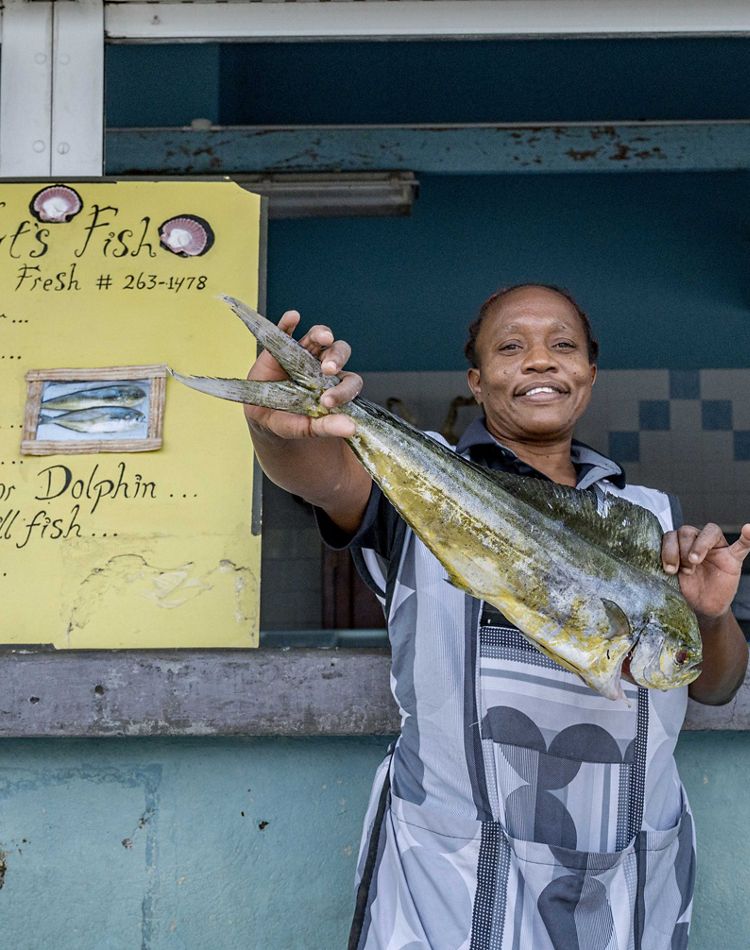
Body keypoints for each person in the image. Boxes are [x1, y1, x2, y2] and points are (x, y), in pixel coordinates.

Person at [245, 284, 749, 950]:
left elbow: (713, 685)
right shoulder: (422, 480)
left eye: (562, 345)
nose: (540, 360)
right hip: (451, 878)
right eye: (512, 347)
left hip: (623, 874)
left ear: (591, 376)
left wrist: (709, 618)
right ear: (477, 383)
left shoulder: (650, 519)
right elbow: (323, 474)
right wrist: (272, 428)